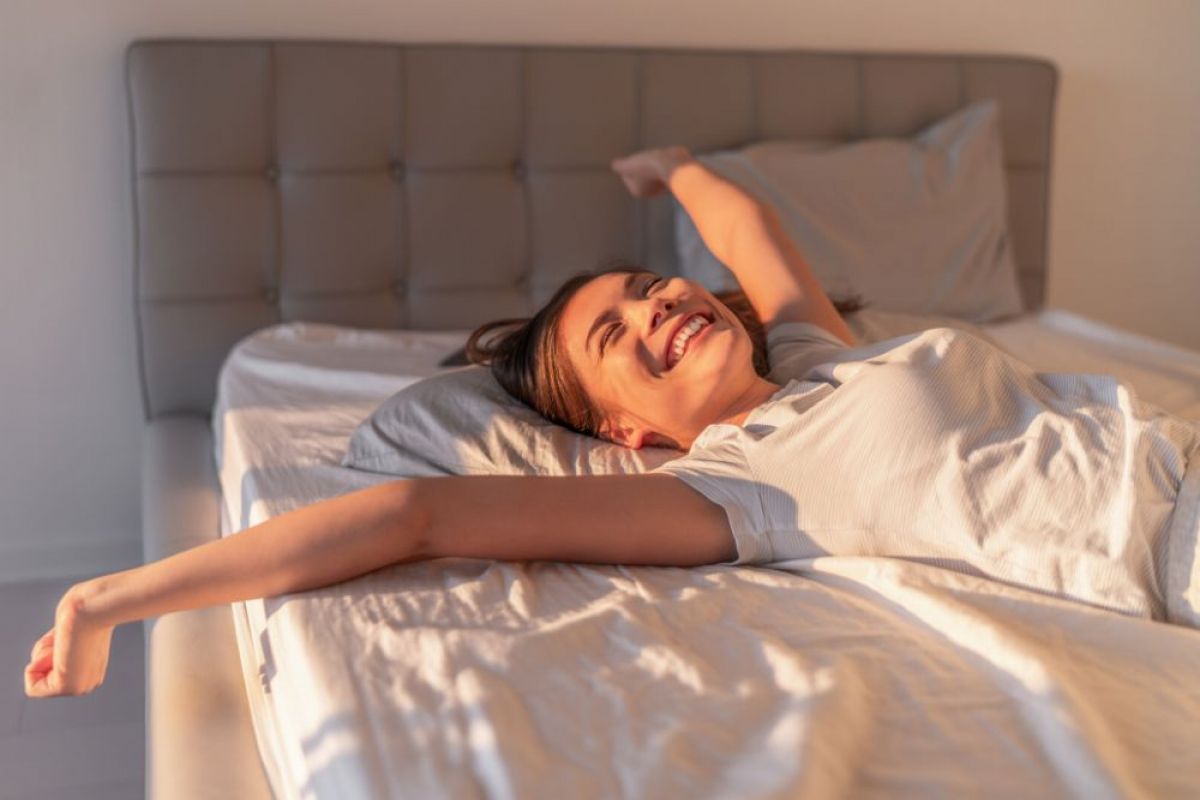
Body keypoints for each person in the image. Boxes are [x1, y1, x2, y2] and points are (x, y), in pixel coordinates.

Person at [24, 147, 1200, 699]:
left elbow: (746, 236)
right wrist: (105, 598)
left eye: (647, 288)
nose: (659, 305)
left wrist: (673, 167)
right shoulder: (736, 488)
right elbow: (417, 512)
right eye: (616, 337)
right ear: (631, 433)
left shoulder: (810, 356)